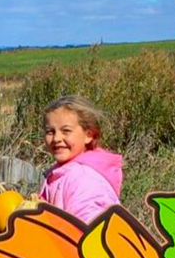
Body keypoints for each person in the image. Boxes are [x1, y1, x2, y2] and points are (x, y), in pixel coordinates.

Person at [40, 95, 122, 224]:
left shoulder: (85, 179)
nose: (56, 138)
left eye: (66, 130)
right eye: (50, 131)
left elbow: (84, 231)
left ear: (89, 135)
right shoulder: (60, 173)